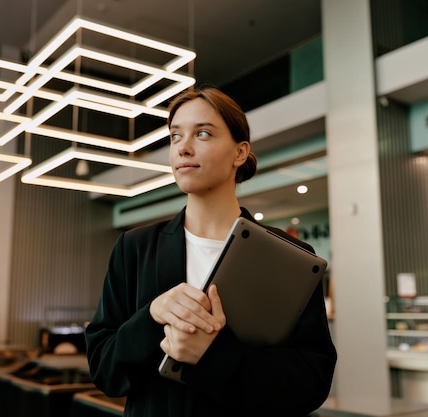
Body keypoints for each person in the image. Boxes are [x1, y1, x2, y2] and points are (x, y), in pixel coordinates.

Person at [85, 87, 337, 417]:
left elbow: (311, 383)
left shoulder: (289, 256)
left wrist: (215, 355)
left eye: (202, 133)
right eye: (175, 136)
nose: (183, 148)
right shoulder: (134, 248)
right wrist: (152, 316)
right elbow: (104, 370)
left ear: (240, 152)